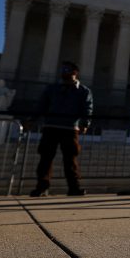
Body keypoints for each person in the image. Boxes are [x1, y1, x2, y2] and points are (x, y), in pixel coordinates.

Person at [30, 61, 93, 197]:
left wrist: (85, 124)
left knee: (70, 159)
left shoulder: (83, 91)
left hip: (70, 128)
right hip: (51, 126)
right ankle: (42, 186)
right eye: (63, 69)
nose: (64, 72)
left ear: (75, 72)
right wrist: (32, 119)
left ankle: (74, 187)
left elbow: (87, 108)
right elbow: (41, 105)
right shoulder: (52, 88)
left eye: (67, 69)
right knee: (45, 158)